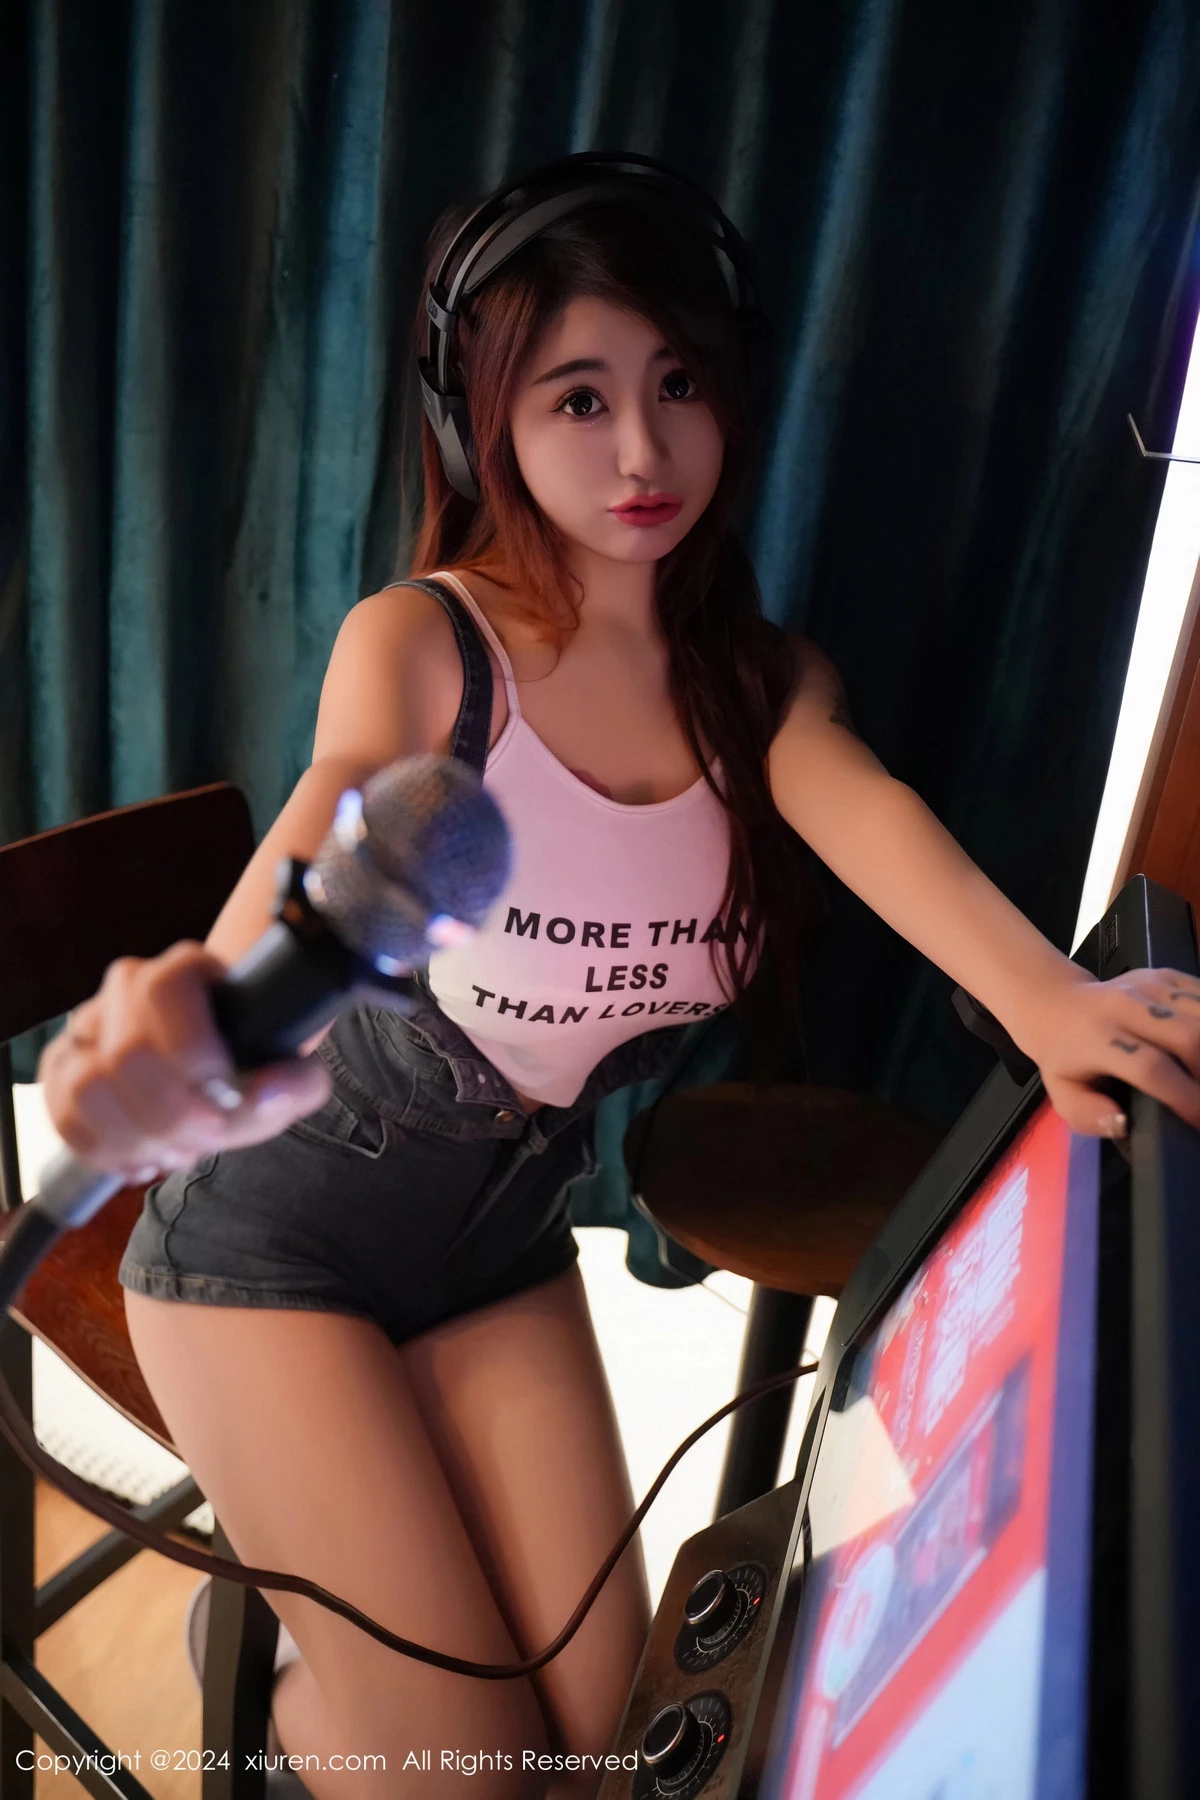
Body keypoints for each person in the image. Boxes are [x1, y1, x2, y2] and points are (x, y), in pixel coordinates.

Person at [39, 155, 1200, 1800]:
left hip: (499, 1240)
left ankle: (326, 1664)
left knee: (614, 1744)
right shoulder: (427, 650)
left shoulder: (762, 689)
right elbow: (324, 837)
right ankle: (288, 1706)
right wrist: (183, 1029)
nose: (644, 452)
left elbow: (866, 810)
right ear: (483, 425)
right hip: (269, 1243)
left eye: (679, 387)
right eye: (578, 399)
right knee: (470, 1774)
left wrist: (1049, 1000)